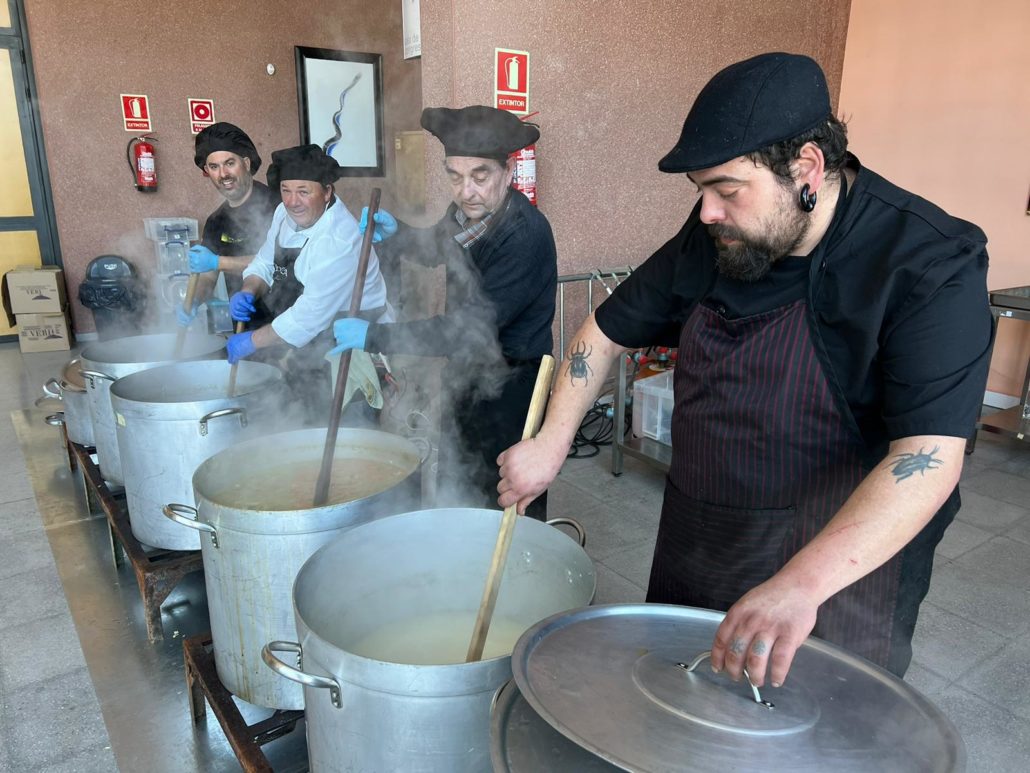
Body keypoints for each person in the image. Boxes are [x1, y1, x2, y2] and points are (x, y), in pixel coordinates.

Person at [496, 53, 993, 684]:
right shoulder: (717, 234)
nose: (707, 212)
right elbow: (605, 329)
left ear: (807, 167)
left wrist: (798, 586)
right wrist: (551, 440)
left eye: (726, 190)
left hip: (832, 579)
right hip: (700, 536)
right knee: (678, 706)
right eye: (701, 191)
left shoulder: (927, 262)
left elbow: (929, 457)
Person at [330, 105, 557, 519]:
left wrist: (375, 336)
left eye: (479, 176)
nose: (465, 190)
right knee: (462, 478)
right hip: (466, 373)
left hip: (513, 384)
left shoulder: (523, 235)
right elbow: (436, 247)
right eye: (454, 175)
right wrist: (397, 232)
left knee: (510, 496)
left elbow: (470, 329)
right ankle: (465, 562)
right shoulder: (466, 215)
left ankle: (517, 571)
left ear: (507, 173)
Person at [227, 143, 392, 420]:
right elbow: (265, 261)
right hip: (309, 345)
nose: (292, 201)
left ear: (327, 192)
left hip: (348, 351)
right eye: (286, 190)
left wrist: (251, 341)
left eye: (304, 191)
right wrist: (248, 289)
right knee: (303, 423)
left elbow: (307, 317)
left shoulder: (338, 241)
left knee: (350, 436)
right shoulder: (284, 214)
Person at [178, 122, 280, 325]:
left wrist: (217, 262)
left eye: (229, 163)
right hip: (244, 328)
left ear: (247, 163)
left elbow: (279, 261)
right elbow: (207, 278)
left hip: (286, 326)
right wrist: (193, 302)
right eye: (214, 167)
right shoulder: (216, 221)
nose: (223, 174)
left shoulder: (279, 206)